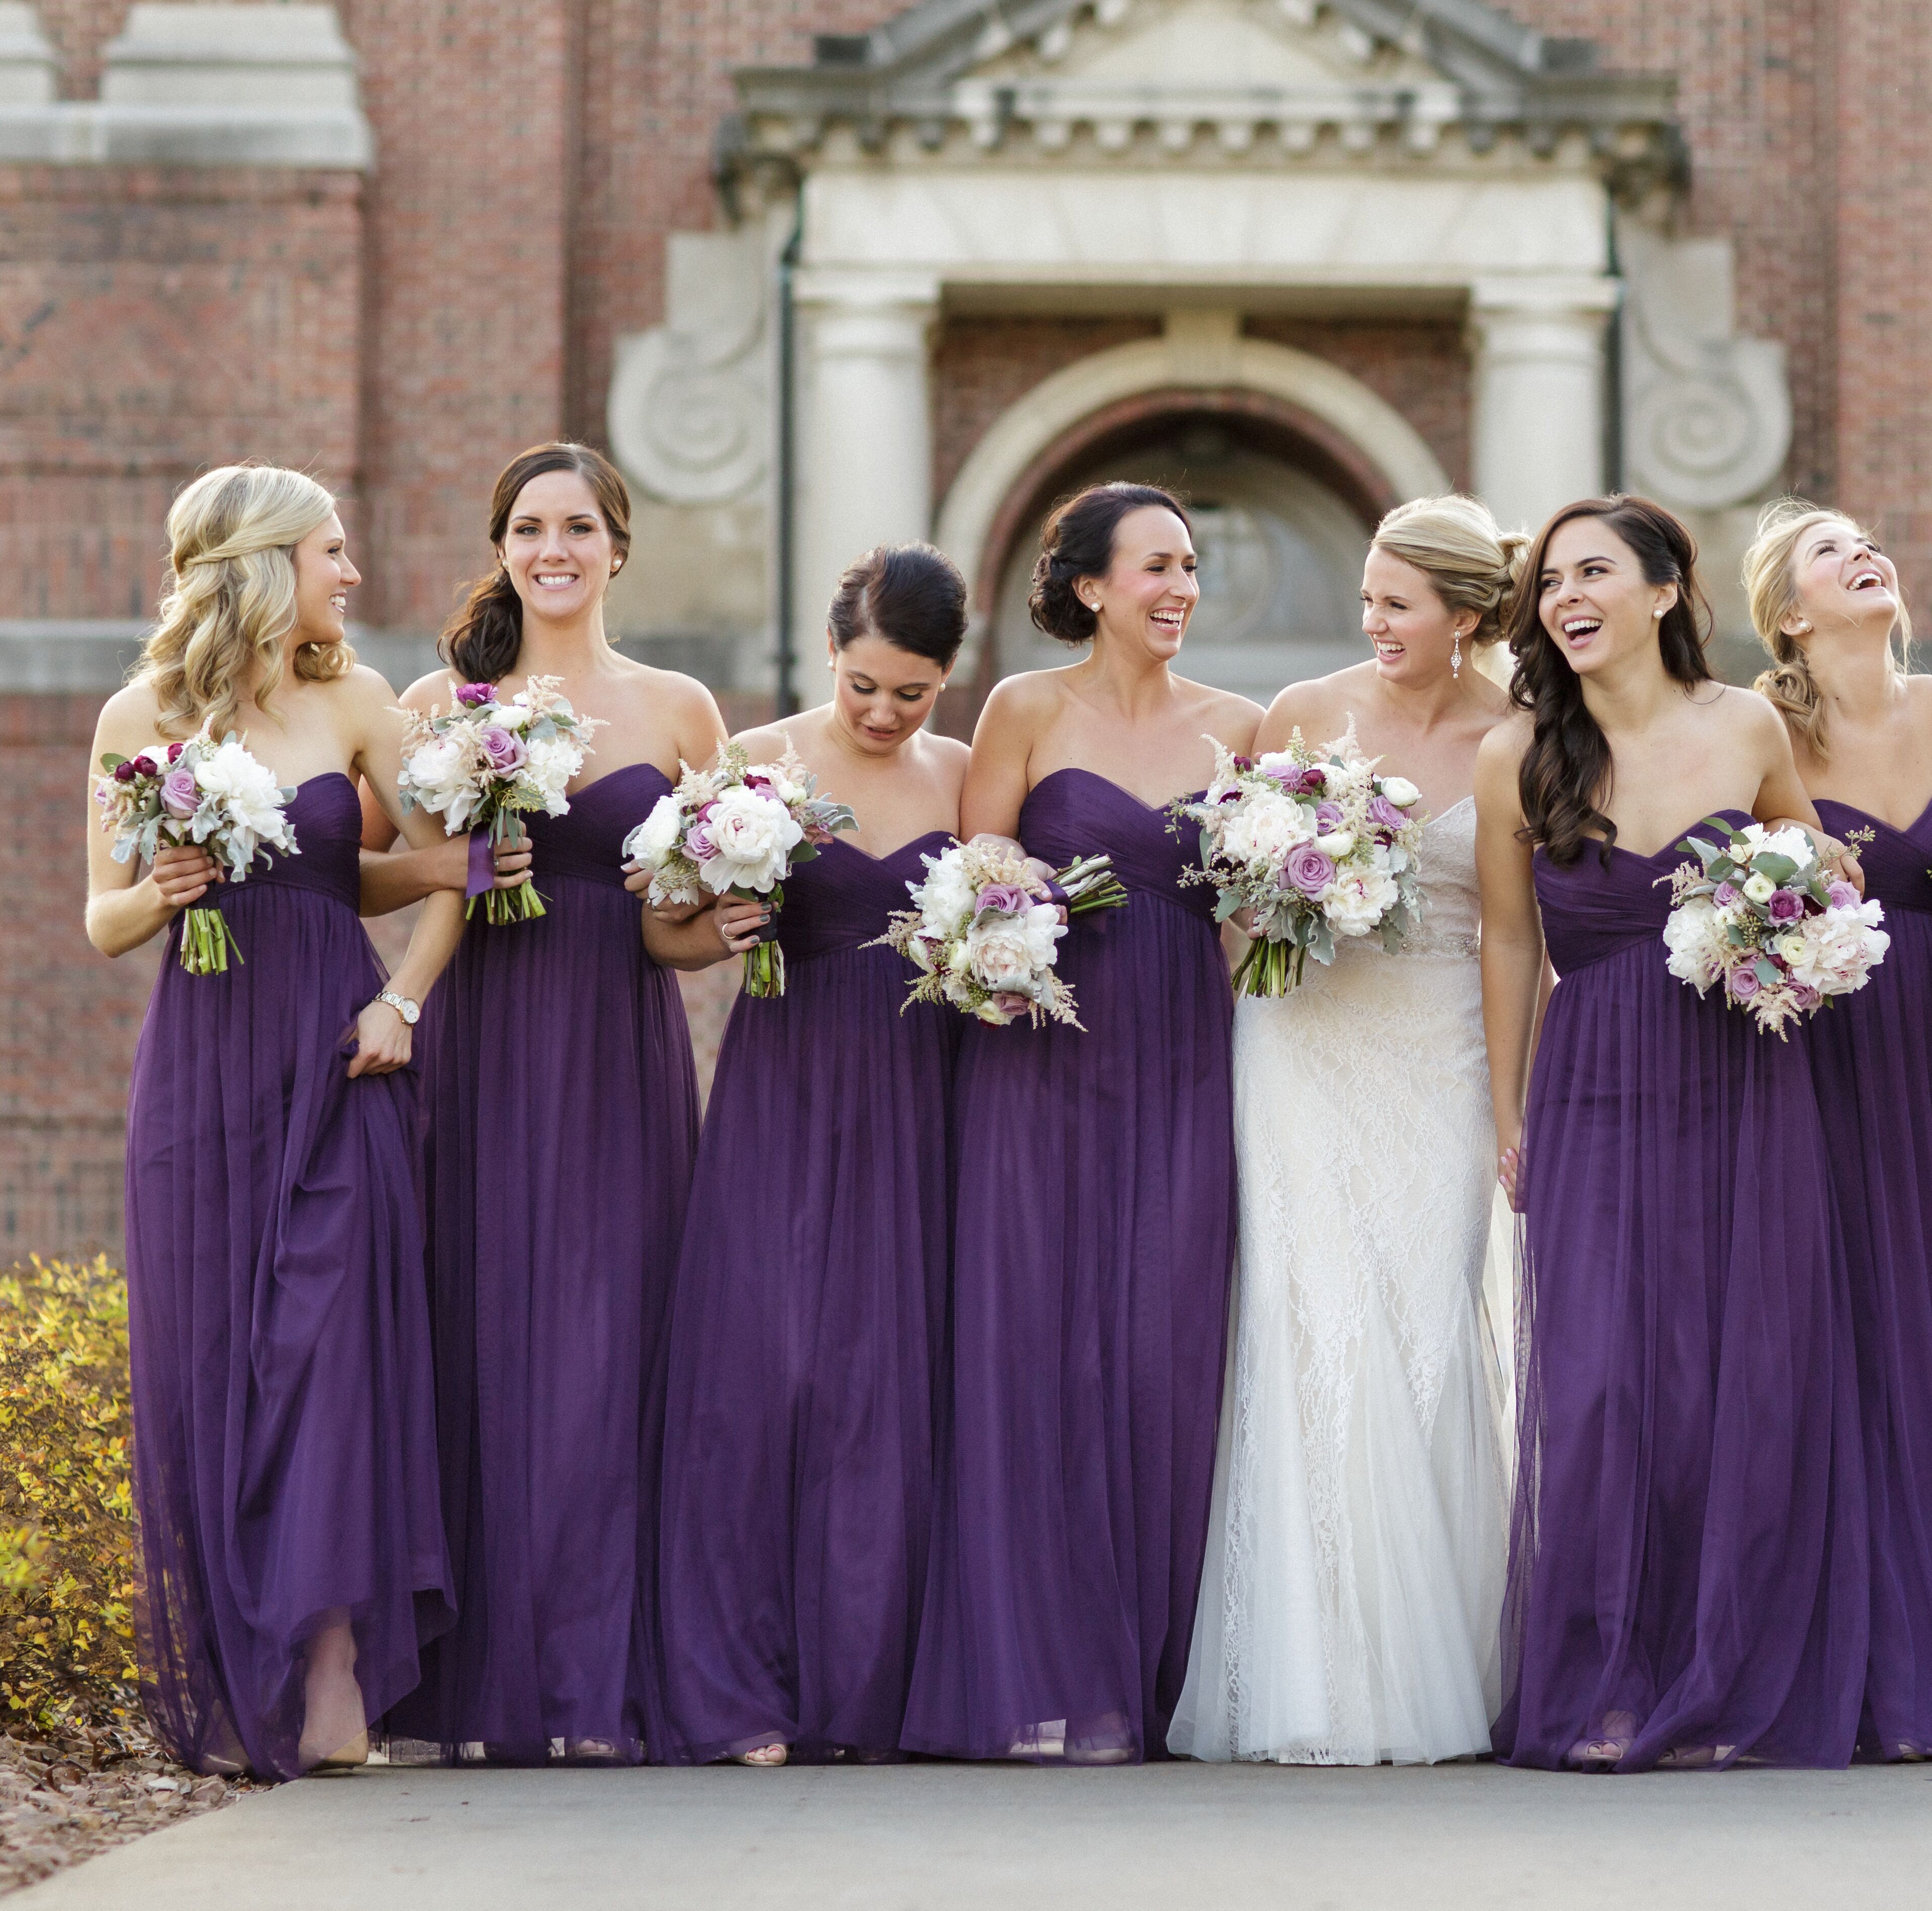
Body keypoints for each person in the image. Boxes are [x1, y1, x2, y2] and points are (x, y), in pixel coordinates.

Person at [1476, 493, 1867, 1772]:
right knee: (1596, 1386)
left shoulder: (1743, 724)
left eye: (1592, 571)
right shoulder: (1518, 751)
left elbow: (1819, 869)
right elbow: (1509, 937)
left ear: (1660, 593)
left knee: (1728, 1376)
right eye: (1546, 582)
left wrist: (1807, 892)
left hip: (1737, 1080)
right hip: (1590, 1081)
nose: (1563, 596)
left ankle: (1727, 1680)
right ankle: (1603, 1679)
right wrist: (1510, 1108)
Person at [86, 463, 459, 1779]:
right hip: (201, 1073)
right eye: (332, 549)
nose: (351, 572)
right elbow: (103, 915)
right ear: (261, 561)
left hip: (339, 1054)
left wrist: (401, 1001)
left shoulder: (358, 699)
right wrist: (167, 886)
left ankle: (335, 1664)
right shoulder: (145, 712)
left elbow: (445, 864)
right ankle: (243, 1669)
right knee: (219, 1358)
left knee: (330, 1347)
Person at [900, 483, 1262, 1764]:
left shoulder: (1243, 726)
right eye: (1158, 564)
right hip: (1040, 1054)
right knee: (1036, 1346)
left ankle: (1156, 1675)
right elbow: (962, 884)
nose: (1181, 588)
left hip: (1184, 1056)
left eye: (1191, 565)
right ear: (1094, 586)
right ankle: (1045, 1671)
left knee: (1168, 1348)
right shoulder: (1023, 708)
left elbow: (1242, 917)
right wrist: (1014, 924)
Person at [378, 442, 726, 1765]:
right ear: (503, 544)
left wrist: (724, 909)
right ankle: (473, 1686)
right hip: (480, 1035)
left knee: (610, 1342)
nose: (553, 548)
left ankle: (596, 1677)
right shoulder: (436, 698)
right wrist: (450, 860)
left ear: (618, 547)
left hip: (617, 1045)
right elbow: (371, 870)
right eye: (530, 526)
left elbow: (688, 923)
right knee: (475, 1326)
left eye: (578, 525)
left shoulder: (684, 708)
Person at [1170, 495, 1522, 1765]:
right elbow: (1231, 892)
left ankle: (1439, 1659)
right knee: (1310, 1318)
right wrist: (1284, 904)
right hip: (1301, 1042)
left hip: (1441, 1052)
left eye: (1397, 602)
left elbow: (1510, 933)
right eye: (1366, 595)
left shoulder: (1517, 734)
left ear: (1468, 616)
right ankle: (1313, 1673)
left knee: (1425, 1326)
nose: (1370, 620)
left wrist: (1510, 1099)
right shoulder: (1305, 713)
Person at [646, 546, 971, 1767]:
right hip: (787, 1085)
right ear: (830, 655)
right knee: (764, 1368)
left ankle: (867, 1681)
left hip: (923, 1090)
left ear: (946, 680)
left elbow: (1008, 906)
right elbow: (662, 934)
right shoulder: (754, 761)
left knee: (888, 1378)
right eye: (865, 686)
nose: (886, 714)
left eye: (913, 692)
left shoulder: (962, 772)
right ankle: (740, 1680)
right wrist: (717, 925)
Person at [1743, 500, 1932, 1763]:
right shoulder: (1765, 727)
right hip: (1809, 1043)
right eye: (1828, 551)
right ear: (1789, 611)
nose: (1862, 553)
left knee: (1926, 1328)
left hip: (1930, 1047)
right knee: (1820, 1333)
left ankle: (1929, 1661)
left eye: (1867, 542)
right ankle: (1820, 1660)